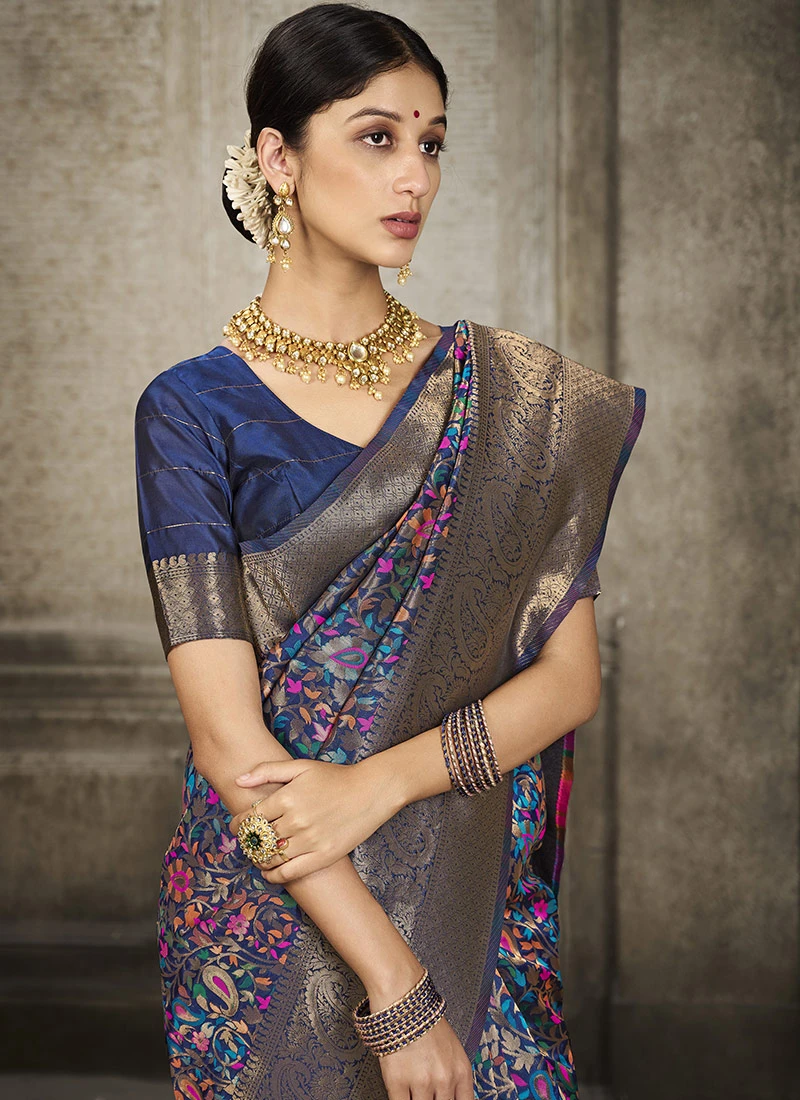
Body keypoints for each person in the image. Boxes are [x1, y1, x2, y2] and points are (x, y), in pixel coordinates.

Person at [133, 5, 646, 1099]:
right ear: (278, 158)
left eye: (432, 142)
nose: (415, 175)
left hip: (465, 888)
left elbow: (569, 681)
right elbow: (231, 749)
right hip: (274, 913)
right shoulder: (191, 412)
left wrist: (373, 786)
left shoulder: (507, 401)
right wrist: (396, 989)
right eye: (376, 137)